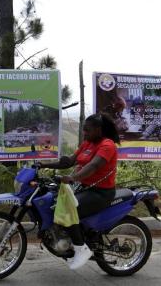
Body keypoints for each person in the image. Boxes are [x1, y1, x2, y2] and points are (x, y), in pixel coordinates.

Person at [39, 113, 119, 270]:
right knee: (54, 202)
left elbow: (93, 166)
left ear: (98, 129)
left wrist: (73, 177)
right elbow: (69, 161)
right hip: (84, 188)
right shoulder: (87, 144)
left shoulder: (107, 145)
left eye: (87, 130)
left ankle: (81, 248)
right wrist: (43, 164)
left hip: (100, 193)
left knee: (69, 210)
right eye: (84, 130)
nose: (85, 133)